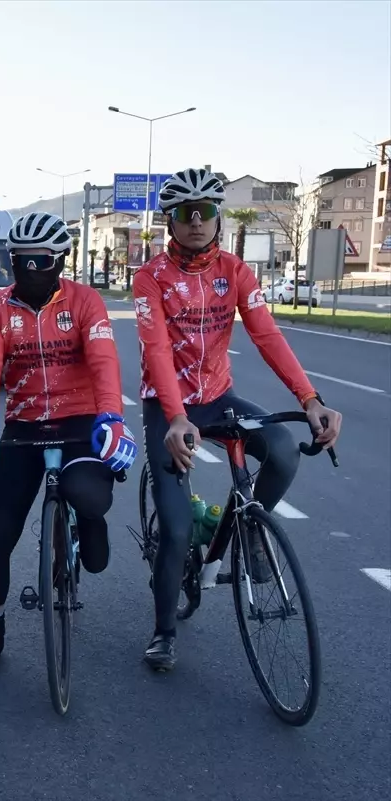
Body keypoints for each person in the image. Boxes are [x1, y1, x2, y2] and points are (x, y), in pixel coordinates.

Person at [133, 168, 342, 672]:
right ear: (171, 221)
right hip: (169, 407)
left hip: (219, 396)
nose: (199, 222)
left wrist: (310, 399)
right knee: (178, 529)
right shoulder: (150, 278)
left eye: (207, 212)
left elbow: (268, 336)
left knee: (285, 451)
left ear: (219, 218)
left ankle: (246, 531)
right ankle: (163, 632)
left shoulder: (235, 271)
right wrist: (177, 417)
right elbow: (156, 349)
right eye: (188, 213)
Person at [0, 211, 134, 668]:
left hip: (82, 422)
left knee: (87, 498)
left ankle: (91, 522)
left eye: (41, 262)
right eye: (20, 262)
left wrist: (112, 416)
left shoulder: (87, 301)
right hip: (23, 425)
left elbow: (102, 361)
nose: (30, 272)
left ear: (60, 260)